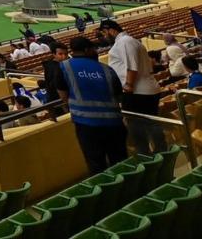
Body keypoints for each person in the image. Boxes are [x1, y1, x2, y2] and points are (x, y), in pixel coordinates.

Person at [54, 36, 128, 174]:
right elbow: (119, 95)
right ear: (88, 49)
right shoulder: (106, 69)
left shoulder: (64, 66)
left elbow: (63, 96)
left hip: (86, 124)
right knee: (120, 162)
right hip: (114, 122)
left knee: (96, 164)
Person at [97, 18, 163, 154]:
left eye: (104, 33)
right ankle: (159, 154)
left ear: (111, 30)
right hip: (143, 90)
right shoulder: (128, 41)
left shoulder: (125, 42)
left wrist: (128, 86)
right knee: (150, 125)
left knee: (138, 130)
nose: (104, 36)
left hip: (137, 92)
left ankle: (148, 158)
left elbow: (132, 67)